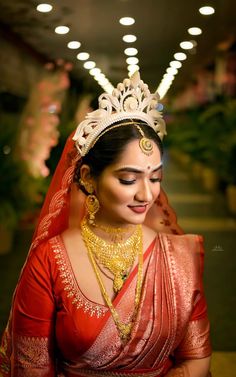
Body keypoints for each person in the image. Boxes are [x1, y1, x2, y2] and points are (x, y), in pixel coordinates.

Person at [0, 72, 212, 376]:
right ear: (87, 177)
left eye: (155, 178)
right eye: (128, 179)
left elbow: (197, 357)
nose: (146, 194)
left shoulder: (178, 257)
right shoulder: (49, 262)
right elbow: (30, 368)